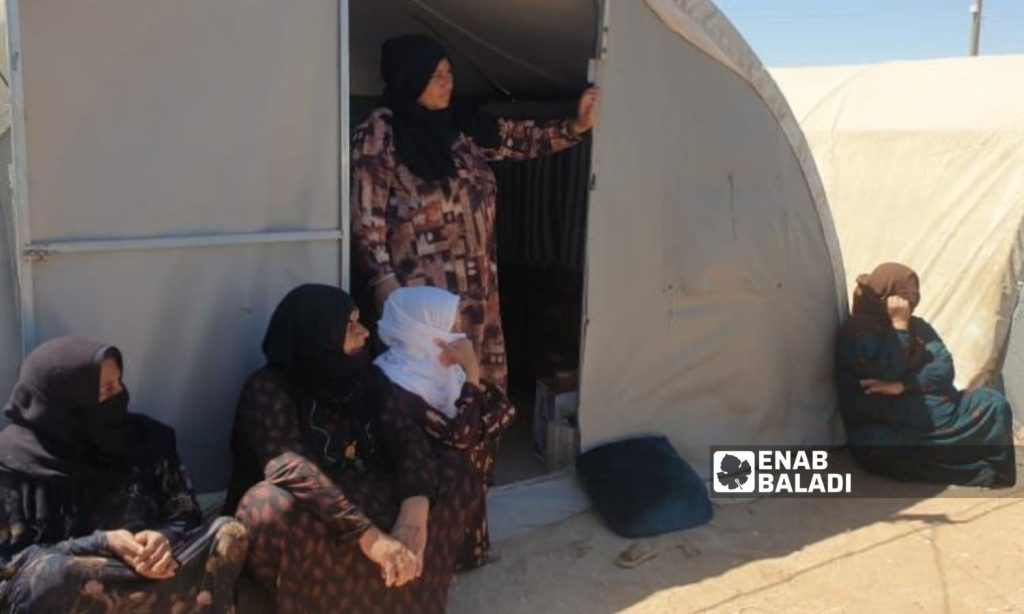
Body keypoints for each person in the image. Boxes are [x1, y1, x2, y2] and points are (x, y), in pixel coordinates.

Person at [351, 34, 600, 392]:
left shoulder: (461, 126)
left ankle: (476, 446)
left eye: (449, 72)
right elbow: (366, 213)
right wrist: (382, 279)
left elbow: (518, 140)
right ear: (410, 76)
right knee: (431, 384)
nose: (447, 82)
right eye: (435, 74)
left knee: (475, 383)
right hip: (423, 292)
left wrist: (575, 126)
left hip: (476, 287)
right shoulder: (381, 132)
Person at [227, 284, 482, 613]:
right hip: (318, 504)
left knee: (456, 472)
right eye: (348, 326)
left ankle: (409, 593)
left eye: (359, 320)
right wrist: (372, 539)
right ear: (317, 337)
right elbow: (291, 469)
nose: (363, 331)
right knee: (268, 504)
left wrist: (412, 518)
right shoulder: (268, 390)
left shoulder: (368, 379)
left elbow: (407, 441)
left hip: (364, 491)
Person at [0, 336, 248, 613]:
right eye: (106, 390)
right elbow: (9, 565)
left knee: (227, 533)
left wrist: (162, 537)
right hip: (68, 587)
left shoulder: (148, 440)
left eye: (119, 383)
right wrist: (103, 543)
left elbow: (185, 510)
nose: (119, 395)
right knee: (51, 577)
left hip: (148, 576)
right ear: (65, 401)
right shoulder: (11, 463)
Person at [835, 263, 1016, 486]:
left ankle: (997, 471)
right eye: (904, 297)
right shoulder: (857, 334)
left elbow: (944, 367)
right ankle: (979, 472)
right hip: (889, 424)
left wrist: (906, 385)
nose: (910, 303)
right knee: (880, 447)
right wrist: (899, 327)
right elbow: (886, 371)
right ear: (887, 296)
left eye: (914, 297)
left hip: (937, 411)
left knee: (993, 403)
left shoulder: (919, 327)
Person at [375, 286, 515, 568]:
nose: (458, 335)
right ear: (422, 332)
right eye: (448, 327)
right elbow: (460, 437)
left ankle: (470, 549)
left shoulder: (434, 367)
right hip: (422, 469)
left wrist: (472, 387)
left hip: (448, 446)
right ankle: (448, 558)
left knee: (483, 426)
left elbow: (505, 408)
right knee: (468, 447)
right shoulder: (394, 381)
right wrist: (472, 371)